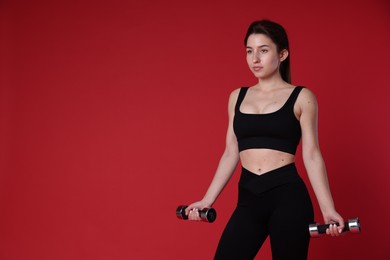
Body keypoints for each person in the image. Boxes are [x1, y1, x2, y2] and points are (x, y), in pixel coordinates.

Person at [185, 20, 344, 259]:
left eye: (263, 50)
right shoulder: (237, 97)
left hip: (288, 199)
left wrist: (327, 209)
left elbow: (311, 154)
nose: (254, 58)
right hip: (248, 198)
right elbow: (231, 152)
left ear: (282, 54)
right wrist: (207, 200)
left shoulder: (302, 97)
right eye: (249, 51)